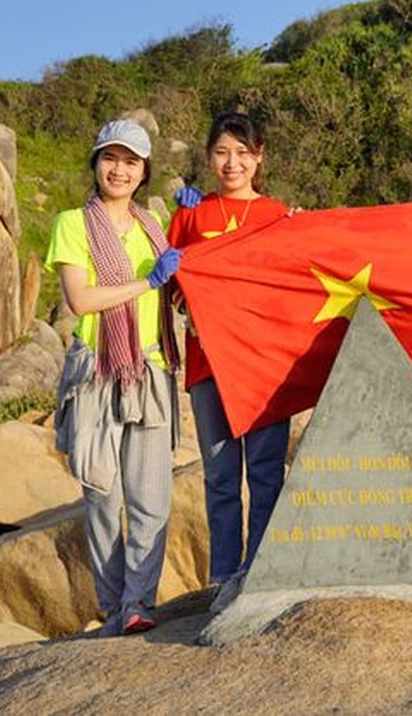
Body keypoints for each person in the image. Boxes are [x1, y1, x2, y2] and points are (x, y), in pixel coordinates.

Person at [46, 119, 183, 636]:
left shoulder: (155, 226)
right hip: (98, 369)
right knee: (102, 494)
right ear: (96, 163)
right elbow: (81, 299)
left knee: (150, 496)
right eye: (111, 158)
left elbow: (179, 285)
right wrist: (146, 280)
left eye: (131, 161)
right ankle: (111, 602)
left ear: (144, 171)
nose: (119, 170)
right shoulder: (72, 224)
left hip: (150, 366)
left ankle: (138, 603)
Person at [168, 112, 291, 609]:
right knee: (220, 476)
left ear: (259, 157)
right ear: (208, 158)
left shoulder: (279, 215)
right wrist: (189, 308)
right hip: (208, 364)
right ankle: (222, 578)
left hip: (264, 365)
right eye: (222, 152)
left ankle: (259, 572)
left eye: (243, 152)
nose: (232, 162)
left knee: (265, 472)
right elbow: (170, 283)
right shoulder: (191, 215)